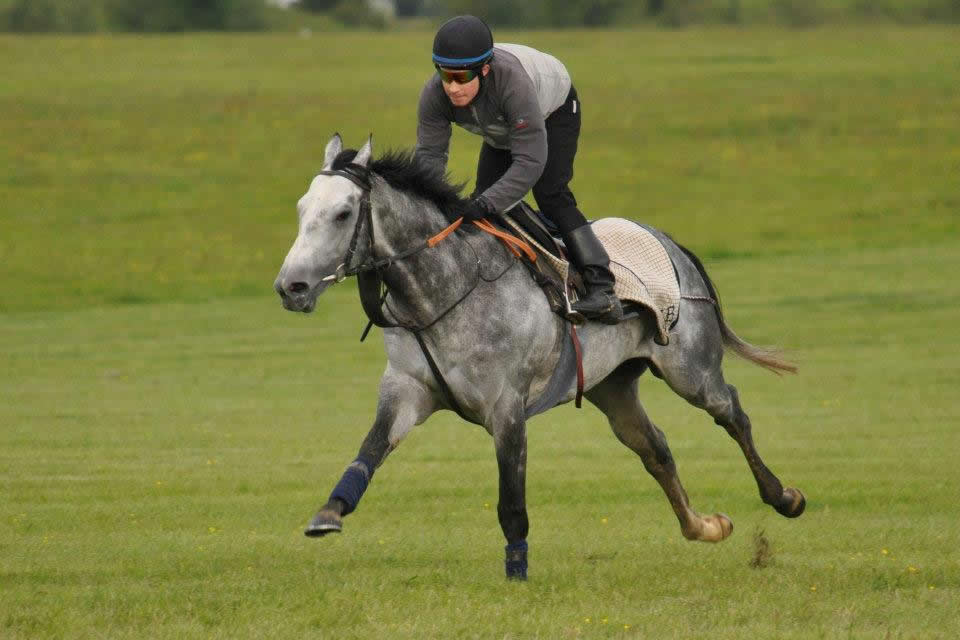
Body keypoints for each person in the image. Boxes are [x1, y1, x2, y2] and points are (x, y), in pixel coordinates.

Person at [414, 15, 623, 324]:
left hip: (553, 110)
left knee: (550, 194)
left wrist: (486, 203)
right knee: (484, 202)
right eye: (445, 76)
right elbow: (430, 159)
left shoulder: (513, 84)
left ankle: (602, 288)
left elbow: (530, 162)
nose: (453, 88)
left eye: (461, 78)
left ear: (484, 69)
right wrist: (427, 209)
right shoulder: (433, 96)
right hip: (501, 128)